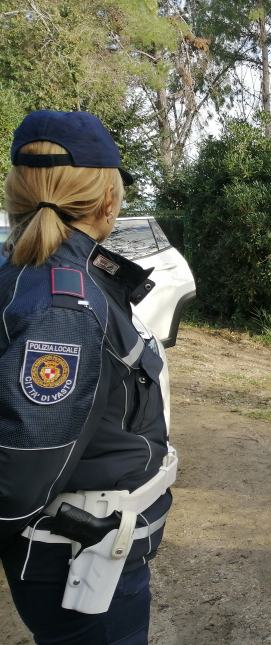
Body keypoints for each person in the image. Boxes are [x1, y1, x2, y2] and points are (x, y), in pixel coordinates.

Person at [0, 110, 176, 644]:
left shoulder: (43, 277)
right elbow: (24, 466)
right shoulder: (63, 303)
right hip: (78, 558)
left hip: (76, 551)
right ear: (107, 199)